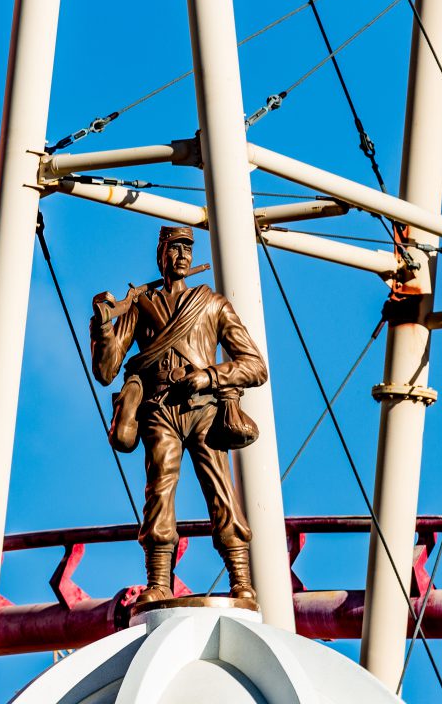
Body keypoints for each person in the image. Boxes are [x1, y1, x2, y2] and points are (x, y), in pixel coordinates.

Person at [90, 225, 267, 605]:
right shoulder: (141, 306)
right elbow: (106, 371)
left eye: (188, 247)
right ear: (161, 255)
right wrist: (103, 324)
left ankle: (241, 579)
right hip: (159, 407)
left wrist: (210, 375)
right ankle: (158, 581)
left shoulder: (213, 304)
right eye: (175, 248)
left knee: (220, 489)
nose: (183, 255)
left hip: (203, 406)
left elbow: (255, 366)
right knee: (159, 492)